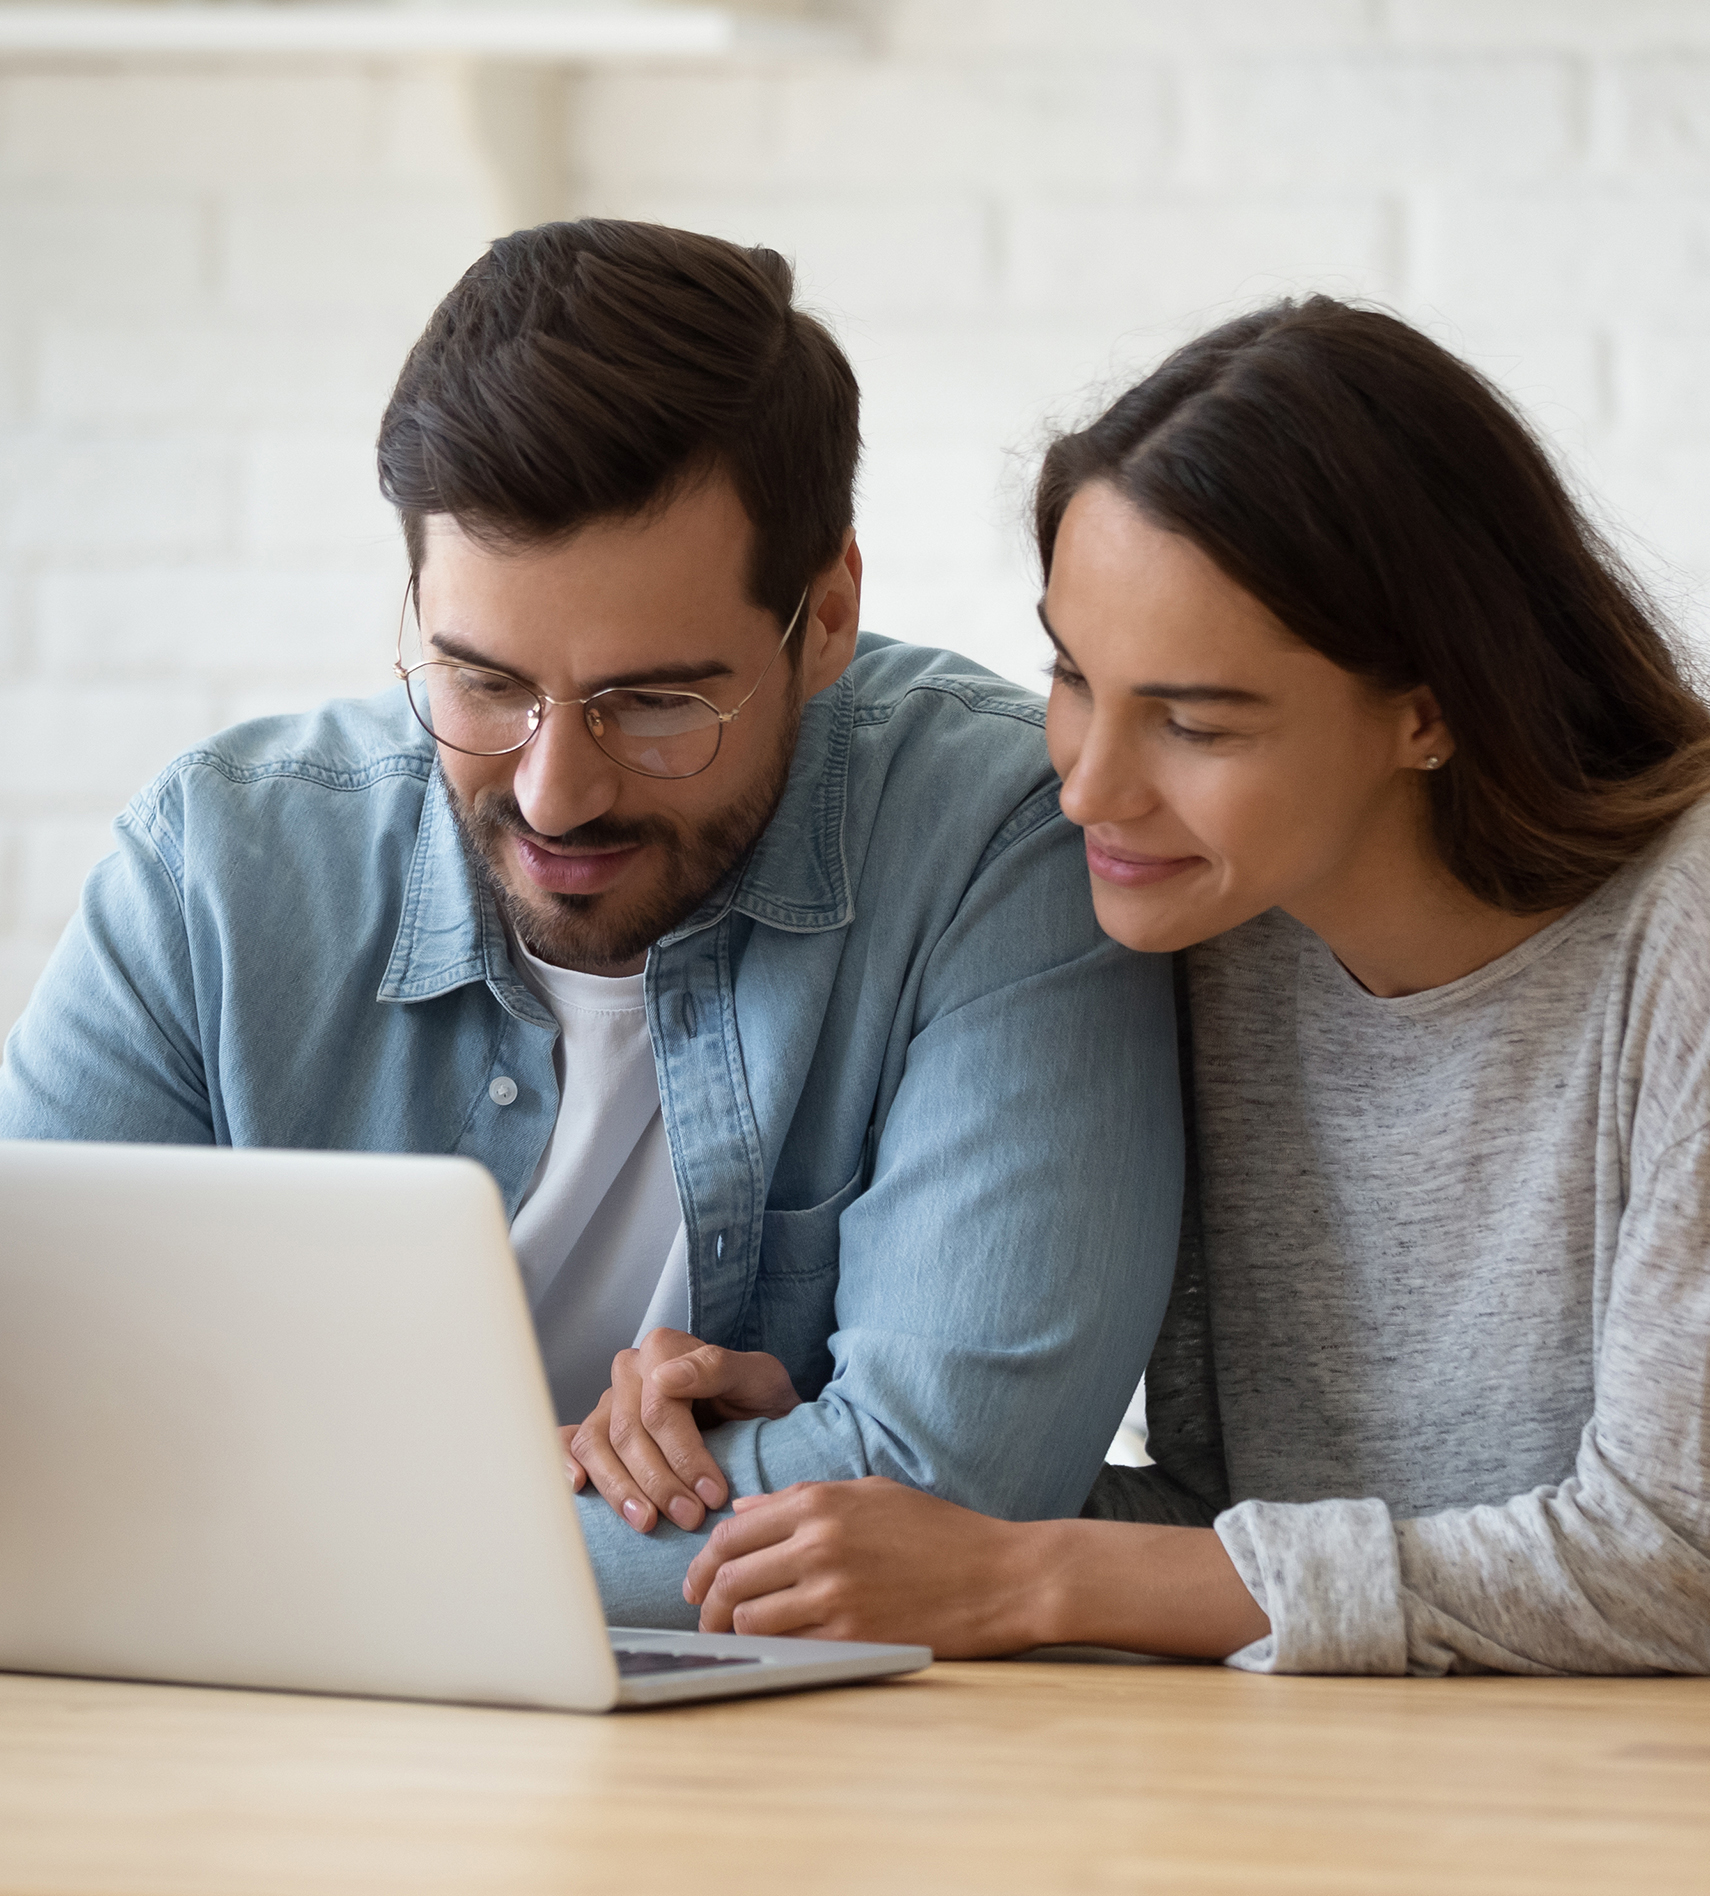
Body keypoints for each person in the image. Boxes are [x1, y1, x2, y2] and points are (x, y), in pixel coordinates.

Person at [0, 220, 1182, 1629]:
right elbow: (39, 1438)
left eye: (657, 700)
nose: (556, 794)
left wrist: (260, 1544)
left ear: (826, 617)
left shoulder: (999, 839)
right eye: (482, 682)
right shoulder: (216, 865)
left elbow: (950, 1489)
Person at [661, 297, 1710, 1675]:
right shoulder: (1213, 931)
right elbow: (1250, 1539)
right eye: (1072, 676)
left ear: (1428, 709)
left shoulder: (1676, 947)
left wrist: (1034, 1574)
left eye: (1196, 721)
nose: (1084, 786)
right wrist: (838, 1471)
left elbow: (1671, 1566)